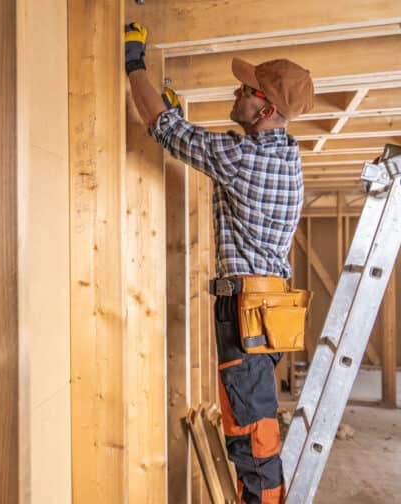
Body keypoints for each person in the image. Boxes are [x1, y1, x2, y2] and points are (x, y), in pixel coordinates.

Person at [125, 22, 314, 504]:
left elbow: (164, 129)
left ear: (267, 108)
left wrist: (133, 64)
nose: (236, 91)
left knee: (252, 438)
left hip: (248, 313)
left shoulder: (245, 159)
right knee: (251, 427)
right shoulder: (282, 154)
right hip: (264, 312)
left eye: (246, 90)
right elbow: (201, 141)